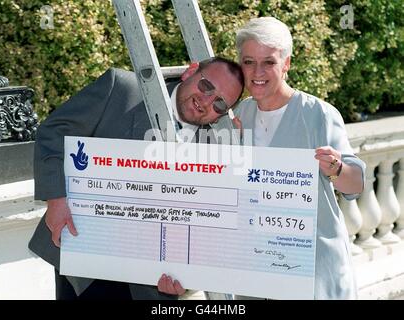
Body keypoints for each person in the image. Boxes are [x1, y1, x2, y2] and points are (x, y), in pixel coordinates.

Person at [28, 57, 244, 300]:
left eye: (219, 104)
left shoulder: (216, 148)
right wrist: (56, 200)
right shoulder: (120, 88)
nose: (206, 101)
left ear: (220, 116)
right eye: (206, 86)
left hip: (150, 285)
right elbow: (55, 132)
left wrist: (187, 279)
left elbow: (207, 228)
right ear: (190, 72)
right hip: (86, 261)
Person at [232, 17, 365, 299]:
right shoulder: (238, 116)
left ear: (286, 63)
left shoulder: (319, 114)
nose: (258, 71)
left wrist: (337, 168)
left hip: (314, 268)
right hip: (258, 265)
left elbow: (356, 186)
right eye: (248, 62)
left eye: (268, 62)